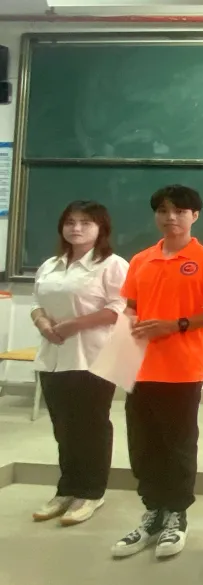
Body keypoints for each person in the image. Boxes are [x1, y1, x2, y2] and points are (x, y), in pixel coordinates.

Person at [112, 185, 203, 560]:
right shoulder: (141, 259)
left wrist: (176, 324)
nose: (171, 217)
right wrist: (127, 325)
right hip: (139, 366)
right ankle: (153, 512)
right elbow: (131, 305)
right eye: (163, 211)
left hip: (182, 368)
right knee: (142, 444)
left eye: (180, 211)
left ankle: (176, 514)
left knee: (177, 445)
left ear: (195, 215)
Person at [30, 200, 128, 526]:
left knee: (91, 427)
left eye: (86, 222)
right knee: (63, 428)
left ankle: (91, 492)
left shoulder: (112, 265)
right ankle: (67, 488)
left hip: (93, 357)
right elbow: (36, 302)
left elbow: (118, 308)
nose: (76, 228)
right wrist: (42, 322)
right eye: (70, 222)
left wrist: (74, 324)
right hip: (53, 356)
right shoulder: (51, 265)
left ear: (101, 228)